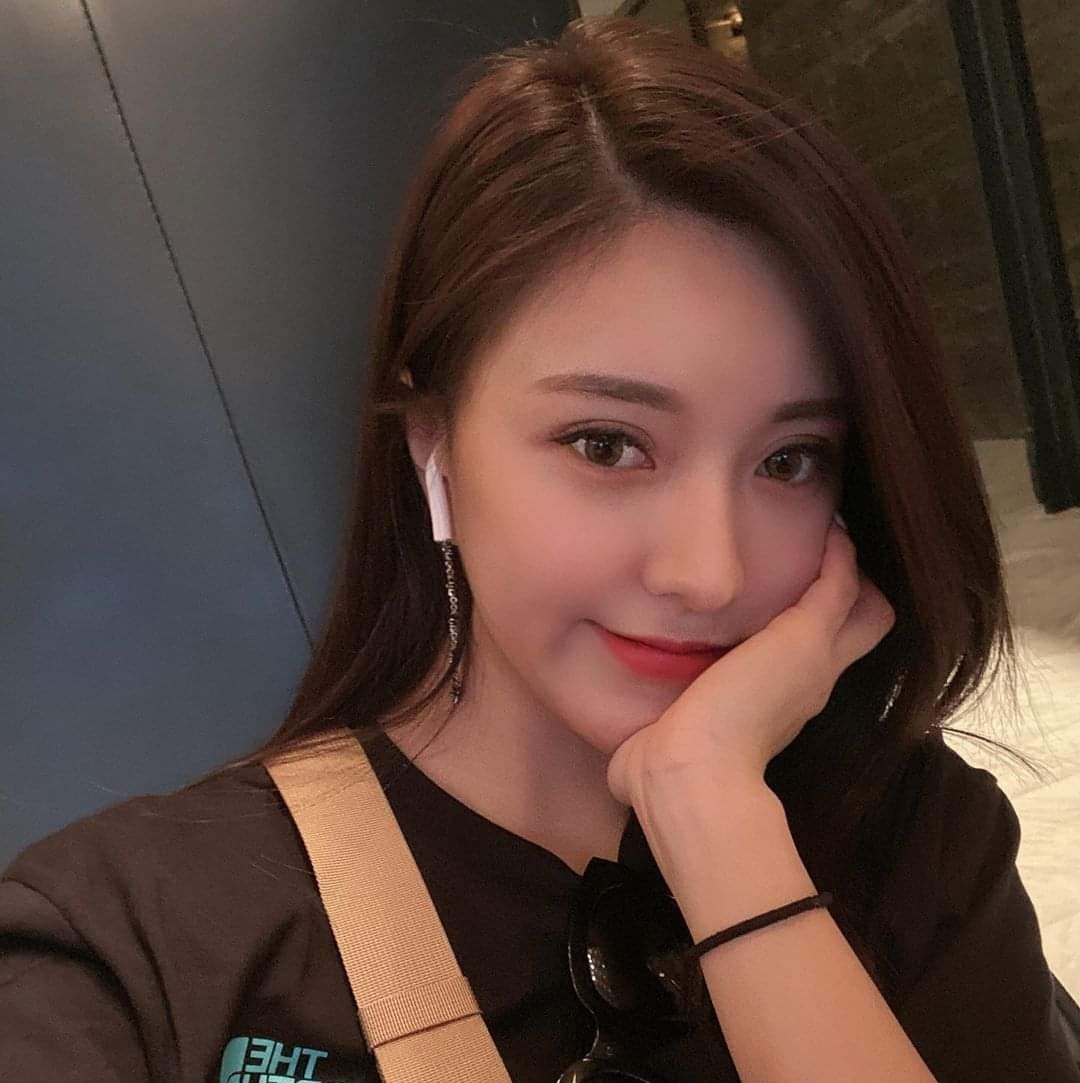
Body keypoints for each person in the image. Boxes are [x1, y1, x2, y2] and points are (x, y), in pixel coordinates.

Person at [2, 15, 1077, 1083]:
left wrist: (718, 828)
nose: (709, 573)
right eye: (607, 445)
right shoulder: (139, 951)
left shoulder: (912, 841)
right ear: (432, 440)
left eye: (790, 460)